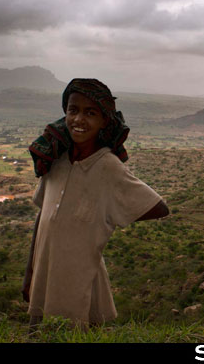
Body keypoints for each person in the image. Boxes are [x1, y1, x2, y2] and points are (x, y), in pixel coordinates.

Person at [21, 78, 169, 332]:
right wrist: (29, 273)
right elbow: (44, 217)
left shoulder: (108, 167)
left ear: (104, 121)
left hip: (82, 280)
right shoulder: (56, 161)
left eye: (91, 113)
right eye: (73, 110)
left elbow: (159, 207)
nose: (79, 120)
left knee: (79, 333)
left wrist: (106, 216)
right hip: (44, 278)